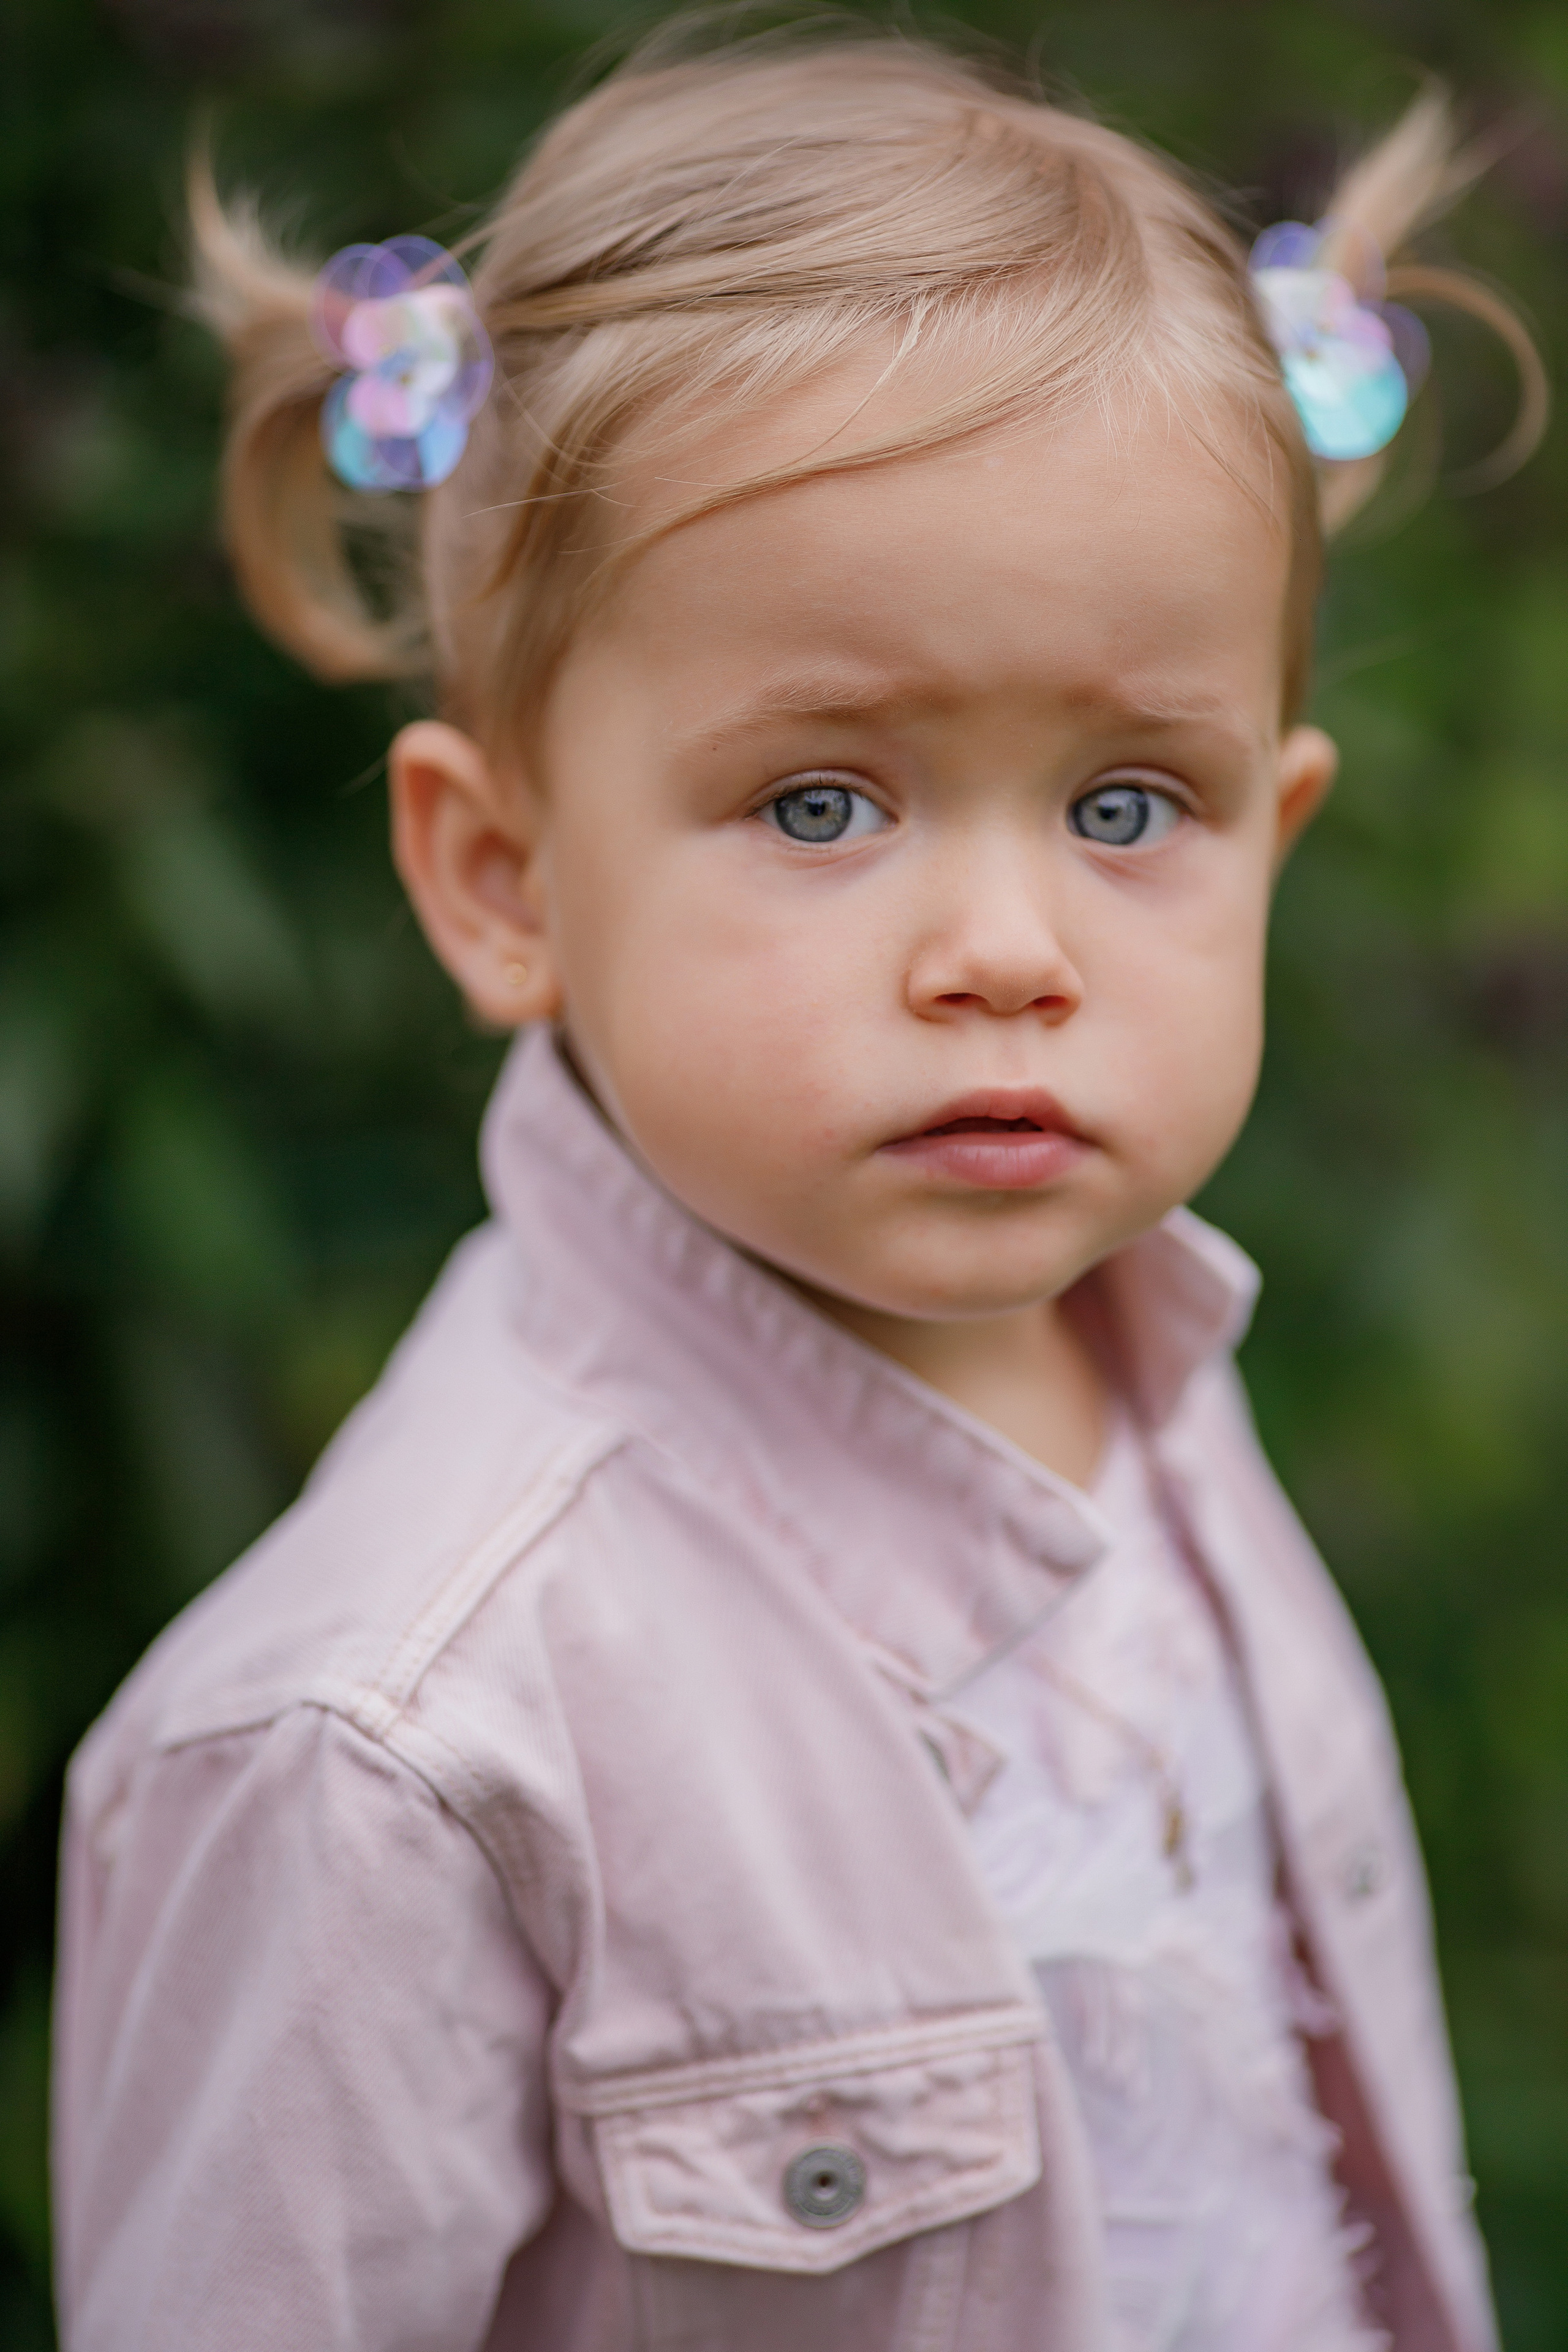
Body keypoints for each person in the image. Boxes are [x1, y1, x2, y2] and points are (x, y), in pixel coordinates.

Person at [51, 22, 1544, 2351]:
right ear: (503, 877)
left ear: (1279, 837)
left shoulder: (1137, 1366)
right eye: (823, 803)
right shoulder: (385, 1749)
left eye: (1130, 806)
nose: (1008, 952)